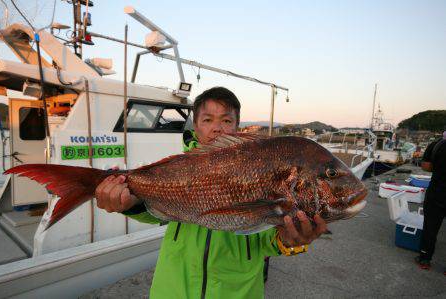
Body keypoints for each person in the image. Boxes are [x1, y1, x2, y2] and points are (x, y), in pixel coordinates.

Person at [95, 87, 327, 298]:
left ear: (237, 126)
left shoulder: (258, 170)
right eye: (208, 119)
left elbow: (269, 240)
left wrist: (290, 240)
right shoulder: (179, 168)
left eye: (226, 120)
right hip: (173, 290)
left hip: (239, 292)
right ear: (195, 126)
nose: (217, 127)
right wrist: (129, 203)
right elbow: (156, 213)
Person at [415, 131, 446, 273]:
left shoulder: (436, 145)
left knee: (431, 227)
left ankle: (425, 259)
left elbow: (426, 167)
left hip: (437, 192)